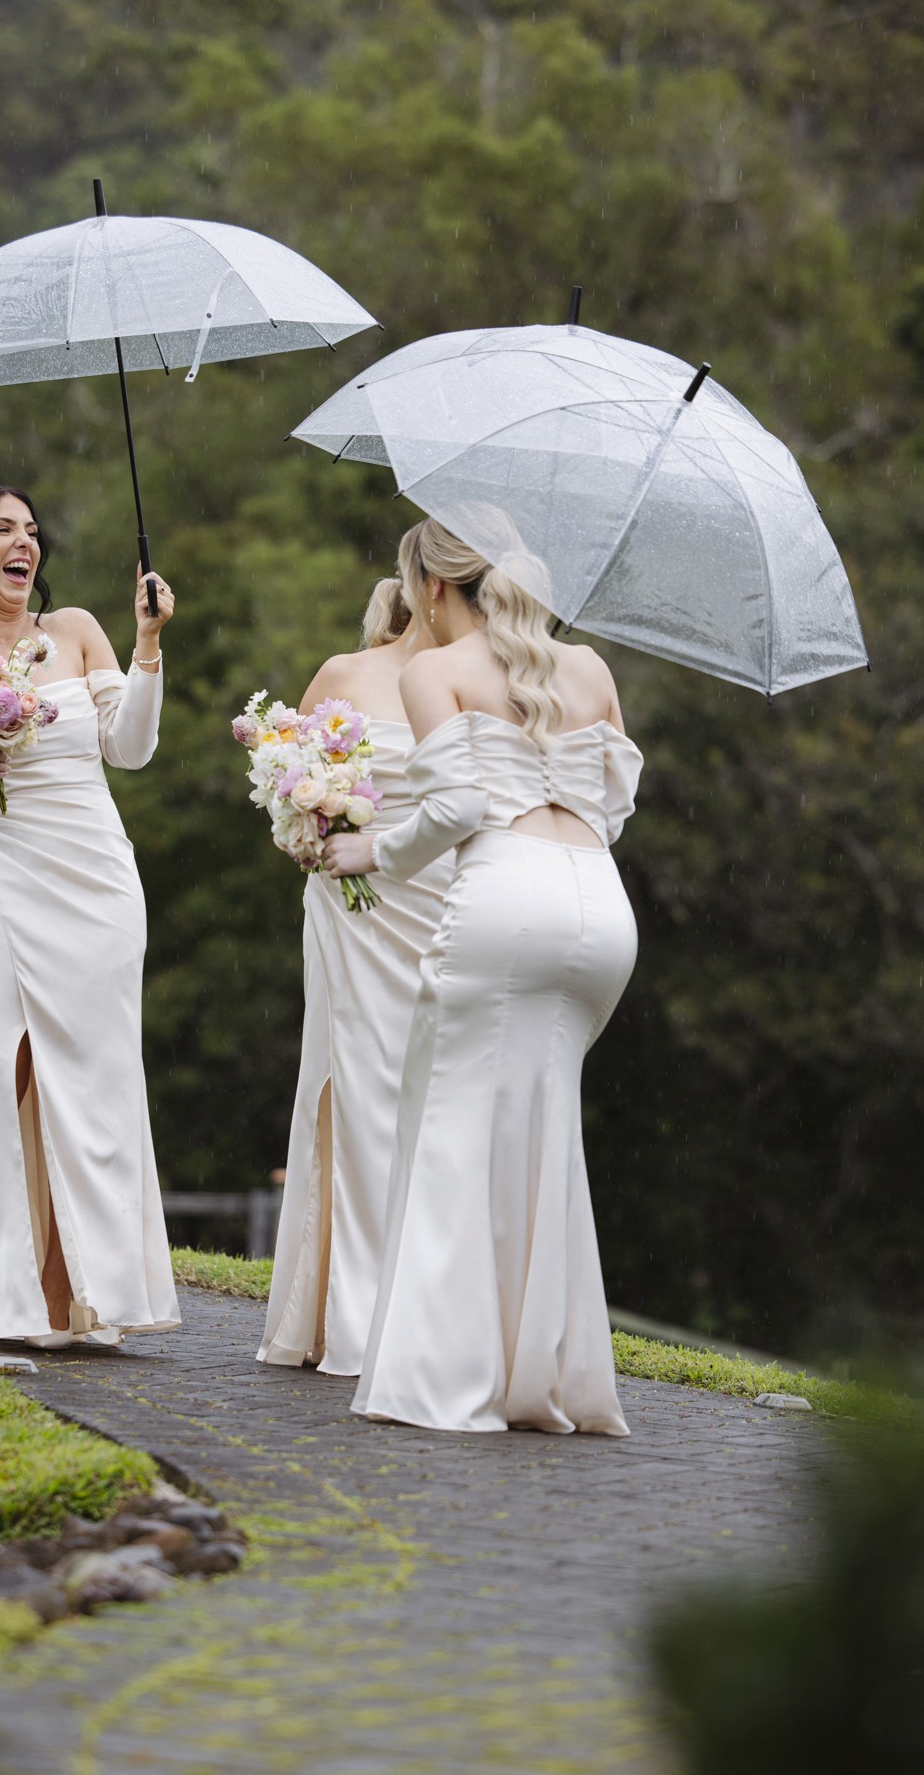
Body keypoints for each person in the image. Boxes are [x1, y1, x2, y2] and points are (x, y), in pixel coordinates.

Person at [323, 518, 641, 1434]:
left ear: (429, 589)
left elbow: (459, 807)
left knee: (453, 1133)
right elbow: (615, 797)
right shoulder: (587, 669)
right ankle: (548, 1379)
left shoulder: (433, 670)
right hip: (600, 914)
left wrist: (369, 854)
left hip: (507, 903)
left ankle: (444, 1379)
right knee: (545, 1138)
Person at [0, 483, 180, 1347]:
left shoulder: (79, 632)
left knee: (97, 1078)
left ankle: (86, 1298)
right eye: (4, 531)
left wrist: (149, 644)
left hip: (94, 879)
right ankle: (3, 1295)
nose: (25, 544)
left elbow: (131, 748)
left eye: (32, 532)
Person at [259, 535, 450, 1376]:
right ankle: (350, 1308)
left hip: (441, 906)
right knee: (355, 1087)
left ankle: (430, 1304)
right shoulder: (346, 674)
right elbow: (280, 777)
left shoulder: (482, 685)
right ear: (425, 583)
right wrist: (312, 823)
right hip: (348, 909)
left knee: (437, 1096)